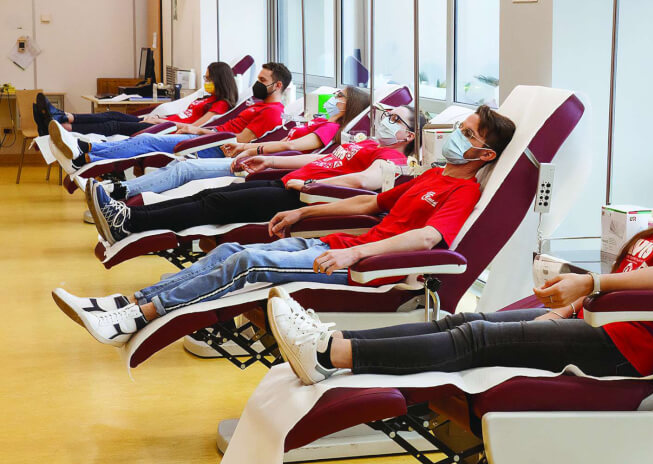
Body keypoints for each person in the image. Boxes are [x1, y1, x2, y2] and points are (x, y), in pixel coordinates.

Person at [260, 128, 653, 385]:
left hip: (624, 348)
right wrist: (570, 306)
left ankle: (329, 357)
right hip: (594, 322)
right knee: (465, 321)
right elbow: (637, 278)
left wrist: (591, 286)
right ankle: (330, 341)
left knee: (478, 339)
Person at [51, 105, 516, 347]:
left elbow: (429, 238)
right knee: (230, 251)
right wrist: (303, 214)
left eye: (468, 135)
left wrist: (355, 253)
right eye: (461, 128)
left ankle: (139, 316)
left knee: (251, 263)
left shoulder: (463, 192)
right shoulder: (433, 175)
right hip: (334, 244)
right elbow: (372, 201)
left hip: (364, 271)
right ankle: (131, 301)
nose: (456, 138)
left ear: (484, 154)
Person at [85, 104, 420, 244]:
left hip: (302, 197)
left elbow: (364, 182)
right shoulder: (363, 143)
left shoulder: (391, 157)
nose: (385, 121)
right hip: (287, 183)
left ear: (409, 135)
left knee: (214, 205)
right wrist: (269, 161)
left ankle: (129, 223)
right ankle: (127, 215)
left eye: (395, 119)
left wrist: (313, 184)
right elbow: (319, 159)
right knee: (207, 195)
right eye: (385, 115)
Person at [103, 86, 371, 201]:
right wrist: (248, 148)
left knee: (183, 168)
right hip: (255, 155)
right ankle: (122, 190)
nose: (334, 97)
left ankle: (120, 192)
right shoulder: (318, 120)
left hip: (264, 165)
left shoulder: (330, 128)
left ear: (349, 105)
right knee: (177, 165)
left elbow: (293, 147)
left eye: (340, 95)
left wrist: (249, 149)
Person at [48, 62, 290, 169]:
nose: (258, 84)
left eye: (262, 80)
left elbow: (239, 140)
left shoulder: (271, 112)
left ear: (277, 86)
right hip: (205, 135)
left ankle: (86, 155)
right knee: (137, 135)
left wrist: (197, 131)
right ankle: (87, 150)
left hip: (211, 144)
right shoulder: (255, 105)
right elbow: (225, 128)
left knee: (147, 141)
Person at [33, 62, 238, 137]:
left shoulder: (221, 104)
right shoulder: (206, 97)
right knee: (113, 114)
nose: (206, 82)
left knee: (114, 125)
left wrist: (161, 122)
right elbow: (186, 115)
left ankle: (63, 128)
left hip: (167, 130)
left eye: (209, 79)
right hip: (163, 123)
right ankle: (61, 117)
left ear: (220, 80)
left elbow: (194, 126)